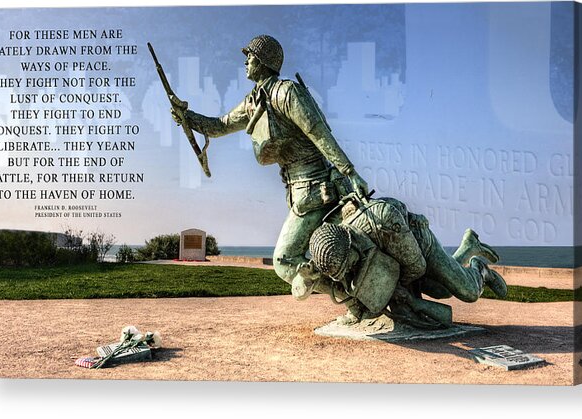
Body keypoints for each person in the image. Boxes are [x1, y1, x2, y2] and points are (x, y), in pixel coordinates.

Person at [171, 35, 368, 289]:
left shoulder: (288, 93)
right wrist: (186, 116)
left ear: (262, 61)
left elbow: (319, 133)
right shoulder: (253, 102)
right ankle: (354, 302)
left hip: (317, 187)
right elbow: (219, 125)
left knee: (284, 261)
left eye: (250, 57)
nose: (245, 62)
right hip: (296, 191)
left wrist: (349, 172)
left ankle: (352, 301)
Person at [300, 196, 507, 325]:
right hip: (395, 259)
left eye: (351, 265)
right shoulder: (329, 250)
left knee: (468, 292)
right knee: (439, 290)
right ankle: (468, 246)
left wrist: (391, 289)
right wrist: (308, 280)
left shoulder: (382, 220)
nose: (351, 271)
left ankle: (480, 270)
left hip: (419, 247)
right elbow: (300, 289)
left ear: (352, 244)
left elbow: (417, 267)